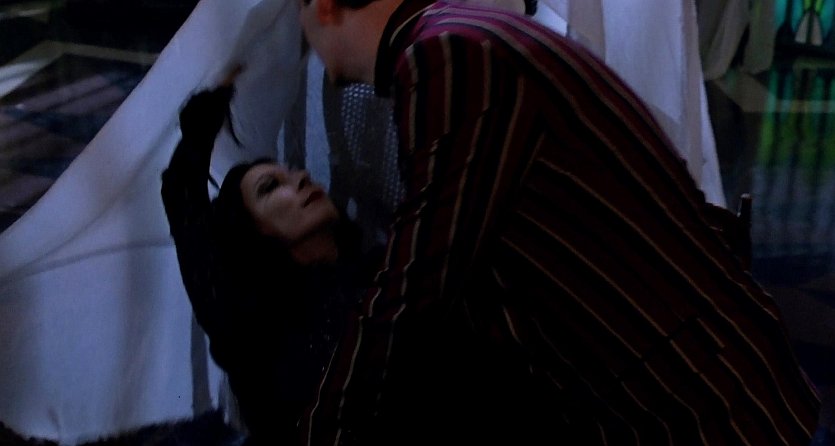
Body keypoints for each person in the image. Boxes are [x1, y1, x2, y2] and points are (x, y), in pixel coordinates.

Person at [296, 0, 822, 445]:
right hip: (701, 376)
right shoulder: (468, 31)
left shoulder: (447, 55)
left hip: (696, 398)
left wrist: (321, 427)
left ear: (322, 6)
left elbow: (416, 287)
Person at [160, 80, 371, 445]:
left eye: (294, 173)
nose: (301, 178)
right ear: (252, 233)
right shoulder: (254, 328)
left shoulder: (384, 264)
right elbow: (182, 196)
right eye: (271, 187)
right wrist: (208, 114)